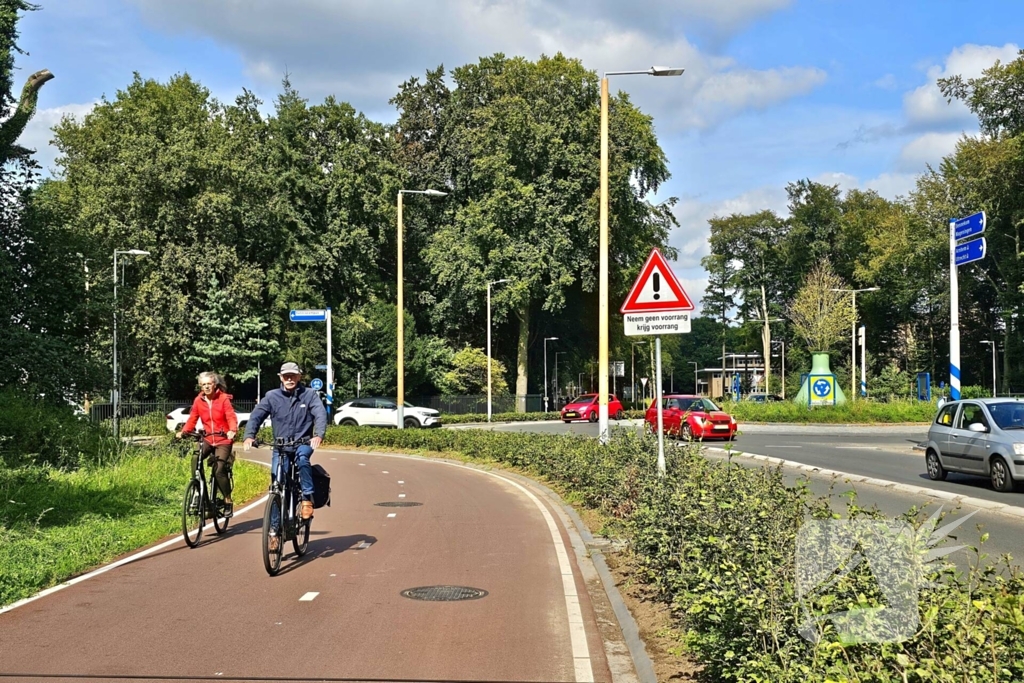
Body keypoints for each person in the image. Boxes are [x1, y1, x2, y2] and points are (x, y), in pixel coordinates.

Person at [244, 362, 326, 551]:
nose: (289, 379)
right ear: (280, 377)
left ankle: (306, 498)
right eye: (286, 376)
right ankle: (274, 533)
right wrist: (249, 436)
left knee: (303, 460)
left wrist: (318, 434)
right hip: (280, 447)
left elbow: (320, 414)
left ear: (299, 377)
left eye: (293, 376)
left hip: (302, 443)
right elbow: (256, 416)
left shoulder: (309, 395)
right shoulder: (272, 397)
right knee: (276, 487)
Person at [178, 371, 238, 517]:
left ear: (214, 384)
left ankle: (227, 500)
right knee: (195, 458)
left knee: (218, 470)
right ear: (200, 386)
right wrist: (184, 431)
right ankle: (200, 491)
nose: (206, 387)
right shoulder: (198, 401)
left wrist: (232, 430)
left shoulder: (223, 399)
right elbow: (193, 418)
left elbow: (230, 416)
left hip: (223, 439)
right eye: (203, 384)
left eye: (209, 384)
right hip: (207, 439)